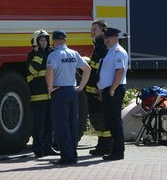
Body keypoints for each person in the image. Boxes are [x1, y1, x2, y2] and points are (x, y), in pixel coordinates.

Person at [46, 30, 91, 165]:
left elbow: (49, 72)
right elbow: (87, 69)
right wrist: (81, 86)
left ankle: (66, 156)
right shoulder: (74, 53)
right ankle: (73, 153)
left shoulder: (53, 55)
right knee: (72, 124)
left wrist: (50, 88)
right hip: (72, 91)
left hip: (59, 91)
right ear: (65, 40)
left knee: (61, 125)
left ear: (53, 41)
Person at [97, 27, 128, 161]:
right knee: (110, 121)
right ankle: (115, 150)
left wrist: (112, 89)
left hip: (114, 90)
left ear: (116, 37)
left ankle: (118, 152)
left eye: (109, 37)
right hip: (108, 90)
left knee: (115, 121)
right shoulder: (109, 51)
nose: (106, 40)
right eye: (105, 37)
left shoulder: (118, 51)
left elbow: (120, 71)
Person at [25, 30, 56, 158]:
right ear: (36, 42)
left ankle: (48, 147)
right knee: (39, 124)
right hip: (38, 95)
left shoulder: (50, 54)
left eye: (45, 40)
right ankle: (38, 149)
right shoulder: (33, 55)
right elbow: (33, 70)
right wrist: (38, 54)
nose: (44, 42)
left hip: (50, 94)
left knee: (50, 123)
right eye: (41, 40)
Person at [85, 19, 113, 156]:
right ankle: (101, 145)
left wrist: (101, 89)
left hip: (99, 90)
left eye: (94, 30)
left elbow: (103, 71)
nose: (92, 32)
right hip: (93, 90)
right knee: (97, 119)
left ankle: (108, 146)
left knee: (103, 119)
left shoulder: (104, 47)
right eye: (92, 30)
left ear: (103, 31)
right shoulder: (98, 46)